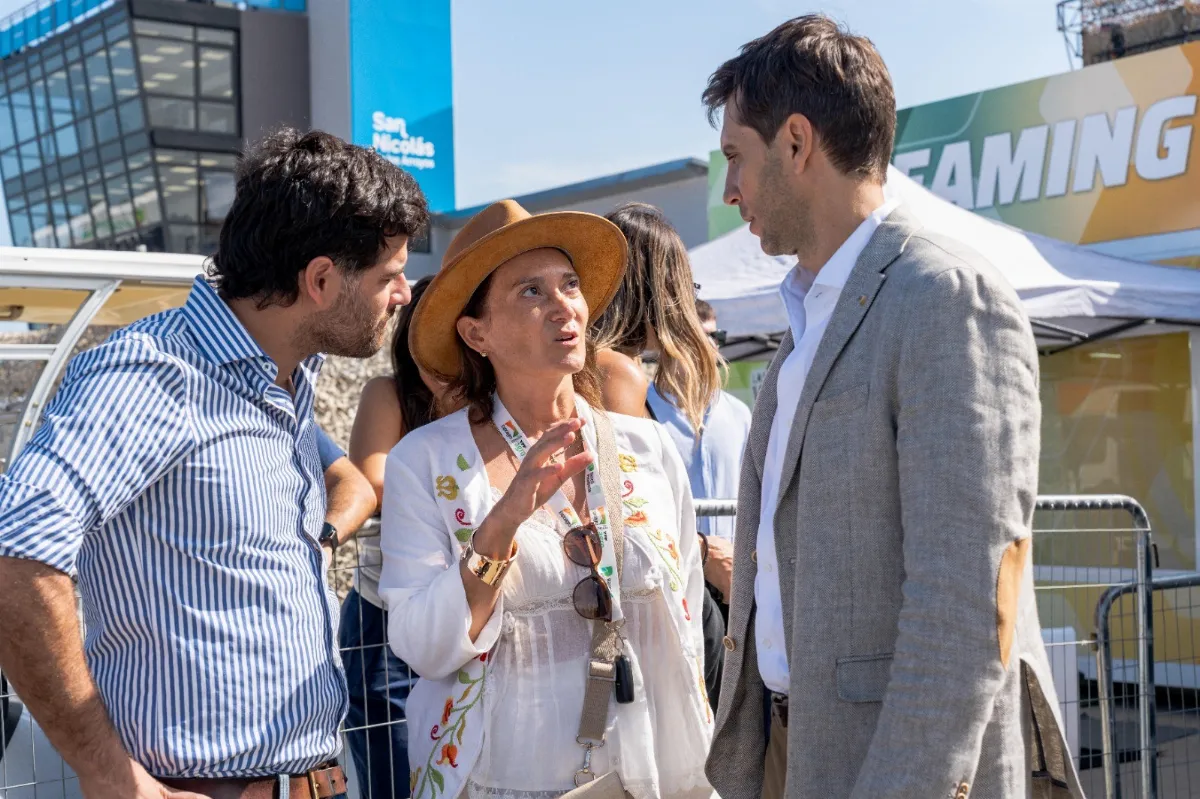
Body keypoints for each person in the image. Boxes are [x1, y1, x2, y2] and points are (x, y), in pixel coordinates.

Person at [702, 16, 1085, 799]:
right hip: (794, 754)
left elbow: (966, 604)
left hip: (890, 768)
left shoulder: (947, 297)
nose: (729, 189)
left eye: (736, 157)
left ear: (798, 143)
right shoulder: (804, 329)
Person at [0, 127, 429, 799]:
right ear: (320, 279)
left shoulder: (284, 384)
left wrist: (313, 539)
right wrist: (107, 771)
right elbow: (15, 554)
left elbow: (344, 481)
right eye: (390, 275)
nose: (404, 293)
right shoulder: (150, 373)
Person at [378, 200, 714, 799]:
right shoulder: (427, 462)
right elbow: (424, 646)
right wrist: (503, 521)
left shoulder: (647, 446)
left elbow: (685, 607)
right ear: (475, 332)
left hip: (653, 775)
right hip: (503, 780)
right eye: (531, 291)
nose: (564, 307)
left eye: (571, 285)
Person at [589, 203, 744, 710]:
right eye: (682, 282)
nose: (687, 297)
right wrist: (704, 550)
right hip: (654, 604)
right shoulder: (616, 373)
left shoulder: (592, 365)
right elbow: (636, 512)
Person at [342, 275, 442, 798]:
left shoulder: (493, 399)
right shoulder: (389, 392)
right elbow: (372, 480)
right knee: (392, 774)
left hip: (467, 608)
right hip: (383, 612)